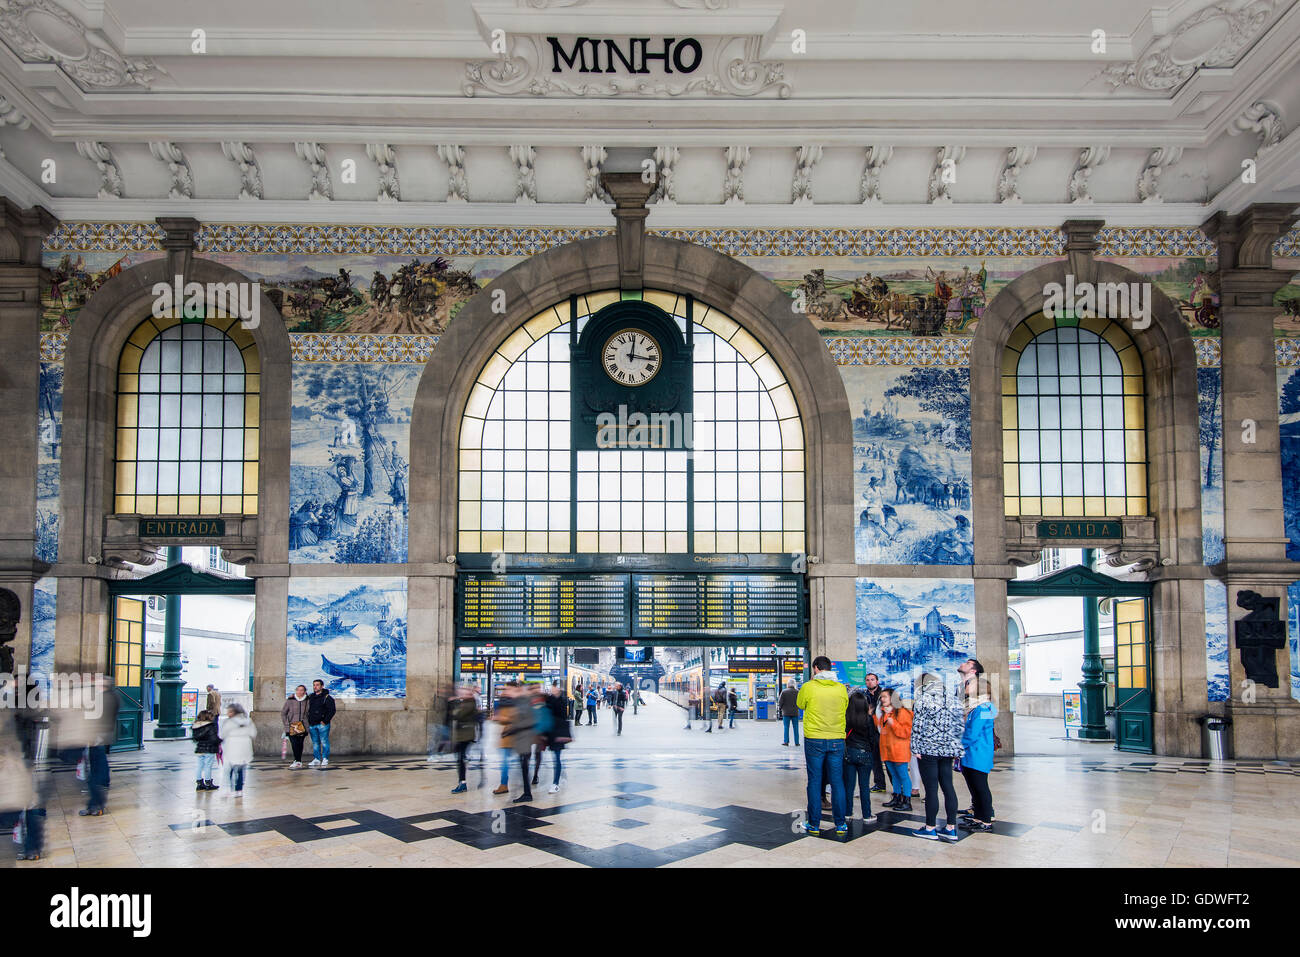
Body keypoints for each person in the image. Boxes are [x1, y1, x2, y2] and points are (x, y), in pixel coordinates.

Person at [796, 657, 849, 837]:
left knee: (815, 781)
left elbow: (800, 704)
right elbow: (845, 706)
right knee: (837, 782)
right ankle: (841, 824)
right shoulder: (841, 688)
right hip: (836, 739)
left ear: (816, 669)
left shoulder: (809, 687)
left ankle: (814, 824)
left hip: (814, 739)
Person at [909, 672, 964, 842]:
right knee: (948, 787)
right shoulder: (954, 699)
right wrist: (956, 750)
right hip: (947, 751)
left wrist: (915, 748)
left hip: (928, 750)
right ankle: (951, 828)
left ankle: (930, 828)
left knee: (931, 790)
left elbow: (917, 727)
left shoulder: (923, 699)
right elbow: (959, 727)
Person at [959, 675, 997, 832]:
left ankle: (986, 820)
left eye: (970, 684)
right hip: (973, 753)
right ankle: (978, 817)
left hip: (977, 753)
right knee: (975, 788)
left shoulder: (983, 708)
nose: (967, 686)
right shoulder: (981, 707)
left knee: (980, 787)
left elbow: (973, 733)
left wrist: (958, 746)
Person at [842, 690, 878, 825]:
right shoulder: (868, 719)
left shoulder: (846, 718)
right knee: (864, 786)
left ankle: (847, 813)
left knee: (849, 786)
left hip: (849, 753)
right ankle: (867, 815)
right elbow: (873, 739)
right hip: (865, 754)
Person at [876, 687, 913, 811]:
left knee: (903, 775)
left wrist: (893, 723)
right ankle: (896, 797)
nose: (882, 699)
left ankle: (907, 800)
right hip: (887, 749)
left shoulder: (903, 712)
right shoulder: (884, 712)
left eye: (885, 697)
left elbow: (906, 732)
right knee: (894, 775)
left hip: (899, 750)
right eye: (881, 697)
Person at [218, 704, 257, 799]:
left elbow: (222, 735)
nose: (227, 713)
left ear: (234, 712)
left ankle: (229, 789)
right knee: (241, 770)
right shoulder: (248, 721)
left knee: (229, 769)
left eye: (229, 711)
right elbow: (253, 733)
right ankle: (239, 790)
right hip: (245, 746)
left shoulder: (229, 722)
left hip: (232, 745)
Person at [448, 684, 481, 793]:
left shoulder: (469, 703)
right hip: (463, 734)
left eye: (463, 691)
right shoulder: (466, 702)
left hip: (466, 735)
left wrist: (454, 704)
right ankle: (462, 782)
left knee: (461, 758)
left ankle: (463, 783)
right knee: (460, 757)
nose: (460, 693)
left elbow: (457, 715)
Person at [541, 683, 572, 793]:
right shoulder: (548, 700)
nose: (553, 690)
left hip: (558, 734)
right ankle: (560, 775)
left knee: (557, 758)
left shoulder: (561, 701)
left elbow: (562, 716)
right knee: (554, 758)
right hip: (549, 733)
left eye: (555, 689)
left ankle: (555, 783)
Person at [862, 673, 887, 792]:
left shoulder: (884, 695)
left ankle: (898, 789)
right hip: (870, 732)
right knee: (874, 759)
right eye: (867, 680)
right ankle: (879, 783)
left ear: (877, 681)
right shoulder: (864, 696)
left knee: (888, 761)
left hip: (883, 732)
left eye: (872, 680)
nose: (870, 682)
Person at [306, 678, 335, 768]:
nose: (315, 687)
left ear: (322, 686)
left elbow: (332, 710)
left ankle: (325, 758)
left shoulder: (327, 697)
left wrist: (325, 721)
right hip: (312, 724)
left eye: (317, 685)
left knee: (324, 741)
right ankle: (317, 759)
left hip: (322, 724)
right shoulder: (311, 697)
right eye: (314, 685)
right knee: (315, 742)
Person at [281, 685, 310, 769]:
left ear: (305, 691)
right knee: (294, 743)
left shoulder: (307, 700)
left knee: (300, 743)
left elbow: (309, 712)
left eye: (302, 690)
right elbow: (283, 713)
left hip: (303, 725)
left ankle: (298, 760)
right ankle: (296, 760)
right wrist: (286, 724)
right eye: (298, 690)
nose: (300, 692)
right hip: (292, 726)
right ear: (296, 691)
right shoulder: (290, 700)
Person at [192, 709, 221, 790]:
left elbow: (195, 738)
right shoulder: (210, 726)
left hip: (199, 749)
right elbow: (214, 738)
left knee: (199, 766)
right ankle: (208, 783)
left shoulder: (196, 726)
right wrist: (220, 741)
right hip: (209, 749)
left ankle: (199, 783)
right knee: (208, 766)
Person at [778, 679, 800, 746]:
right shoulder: (798, 692)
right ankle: (797, 742)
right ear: (794, 684)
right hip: (795, 712)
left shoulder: (784, 692)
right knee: (796, 727)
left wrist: (781, 709)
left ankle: (786, 742)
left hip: (786, 713)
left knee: (786, 727)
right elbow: (800, 702)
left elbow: (780, 702)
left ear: (788, 684)